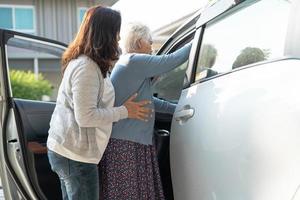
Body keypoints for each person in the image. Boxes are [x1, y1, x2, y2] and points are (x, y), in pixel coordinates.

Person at [46, 8, 151, 200]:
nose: (119, 38)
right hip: (74, 156)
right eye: (116, 32)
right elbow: (86, 117)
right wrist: (124, 111)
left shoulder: (92, 64)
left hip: (70, 152)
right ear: (106, 33)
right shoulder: (86, 68)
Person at [99, 22, 192, 200]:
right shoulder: (134, 61)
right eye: (150, 42)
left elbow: (149, 101)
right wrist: (198, 38)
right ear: (140, 41)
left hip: (129, 144)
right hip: (127, 147)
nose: (152, 47)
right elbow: (170, 61)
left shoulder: (127, 63)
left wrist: (179, 109)